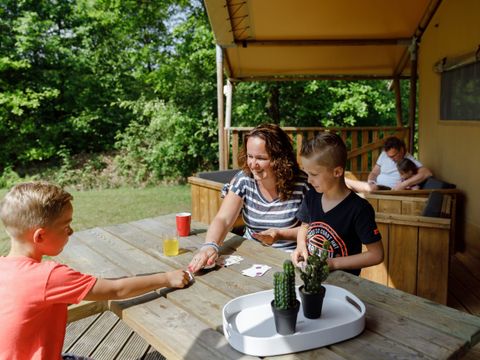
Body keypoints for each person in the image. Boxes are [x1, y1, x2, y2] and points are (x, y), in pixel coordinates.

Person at [0, 182, 190, 360]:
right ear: (40, 235)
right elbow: (116, 290)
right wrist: (166, 277)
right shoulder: (48, 277)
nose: (72, 231)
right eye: (66, 226)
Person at [188, 123, 309, 273]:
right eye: (250, 156)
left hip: (287, 259)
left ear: (280, 159)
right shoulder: (244, 179)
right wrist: (209, 246)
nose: (252, 164)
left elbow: (314, 230)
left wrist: (279, 234)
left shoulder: (303, 184)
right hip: (250, 255)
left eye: (261, 158)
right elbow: (223, 219)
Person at [291, 132, 384, 275]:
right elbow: (304, 226)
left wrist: (333, 263)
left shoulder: (359, 209)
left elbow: (376, 255)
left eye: (314, 174)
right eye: (307, 173)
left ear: (337, 172)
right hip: (311, 277)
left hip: (344, 283)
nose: (309, 180)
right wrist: (300, 246)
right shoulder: (311, 196)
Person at [345, 136, 432, 192]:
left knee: (371, 189)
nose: (391, 159)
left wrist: (403, 184)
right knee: (347, 189)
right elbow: (374, 173)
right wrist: (371, 181)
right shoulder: (384, 155)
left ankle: (344, 180)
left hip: (388, 191)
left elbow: (427, 173)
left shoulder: (409, 161)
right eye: (389, 156)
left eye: (393, 156)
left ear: (401, 150)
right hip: (376, 186)